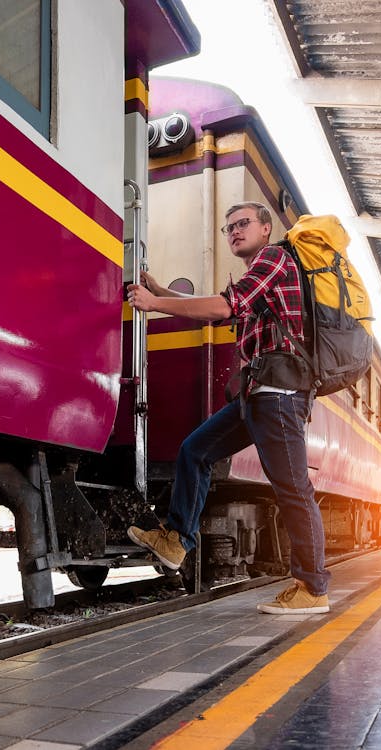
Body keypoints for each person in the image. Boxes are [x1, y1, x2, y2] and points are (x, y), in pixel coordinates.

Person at [125, 201, 330, 614]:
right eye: (229, 227)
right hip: (256, 395)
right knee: (195, 450)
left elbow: (222, 307)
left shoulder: (274, 259)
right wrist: (162, 291)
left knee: (293, 490)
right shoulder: (257, 273)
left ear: (266, 229)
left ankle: (313, 589)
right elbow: (220, 312)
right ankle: (177, 541)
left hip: (280, 395)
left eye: (243, 224)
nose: (235, 231)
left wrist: (154, 303)